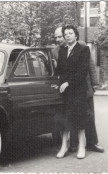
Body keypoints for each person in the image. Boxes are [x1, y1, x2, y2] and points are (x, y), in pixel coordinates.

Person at [53, 27, 104, 154]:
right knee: (70, 115)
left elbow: (89, 67)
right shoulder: (57, 51)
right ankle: (73, 145)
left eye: (61, 36)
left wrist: (95, 83)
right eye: (58, 37)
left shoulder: (82, 47)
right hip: (67, 88)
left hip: (83, 88)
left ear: (75, 35)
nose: (60, 39)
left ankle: (92, 143)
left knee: (87, 116)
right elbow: (59, 70)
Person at [56, 25, 89, 159]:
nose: (68, 35)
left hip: (78, 90)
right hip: (65, 92)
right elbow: (60, 70)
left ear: (76, 35)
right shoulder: (62, 51)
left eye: (70, 33)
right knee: (65, 120)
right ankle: (64, 146)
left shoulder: (84, 50)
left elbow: (83, 71)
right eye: (66, 33)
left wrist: (68, 82)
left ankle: (81, 146)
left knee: (79, 118)